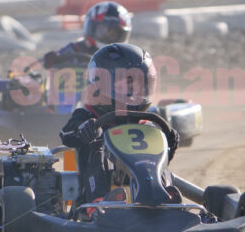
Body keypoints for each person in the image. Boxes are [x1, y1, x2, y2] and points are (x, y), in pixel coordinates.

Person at [59, 43, 180, 219]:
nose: (134, 92)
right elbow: (66, 135)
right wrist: (83, 130)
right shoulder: (87, 114)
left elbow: (166, 156)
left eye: (140, 85)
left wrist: (169, 142)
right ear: (101, 85)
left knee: (155, 134)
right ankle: (98, 203)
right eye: (126, 86)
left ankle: (163, 196)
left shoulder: (147, 122)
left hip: (139, 178)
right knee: (97, 138)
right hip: (92, 186)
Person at [43, 1, 131, 69]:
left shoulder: (127, 58)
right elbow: (53, 62)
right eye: (102, 30)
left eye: (113, 33)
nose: (107, 36)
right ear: (91, 28)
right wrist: (54, 59)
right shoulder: (75, 49)